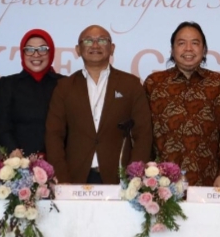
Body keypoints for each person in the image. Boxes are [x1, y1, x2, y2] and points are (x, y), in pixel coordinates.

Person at [46, 25, 152, 184]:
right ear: (78, 50)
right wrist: (61, 177)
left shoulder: (131, 85)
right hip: (74, 178)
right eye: (88, 41)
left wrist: (134, 177)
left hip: (120, 178)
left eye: (102, 40)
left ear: (112, 48)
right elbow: (54, 135)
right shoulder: (64, 87)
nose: (95, 45)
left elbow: (143, 134)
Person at [144, 22, 220, 187]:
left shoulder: (219, 84)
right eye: (181, 43)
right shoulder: (154, 83)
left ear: (204, 50)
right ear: (172, 50)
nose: (188, 49)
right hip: (162, 181)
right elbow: (144, 133)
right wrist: (147, 174)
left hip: (208, 180)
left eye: (195, 43)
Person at [0, 29, 64, 157]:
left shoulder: (64, 85)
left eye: (43, 49)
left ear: (51, 52)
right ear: (22, 53)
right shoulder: (6, 85)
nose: (36, 55)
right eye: (29, 49)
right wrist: (14, 153)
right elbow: (2, 127)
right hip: (17, 162)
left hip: (58, 161)